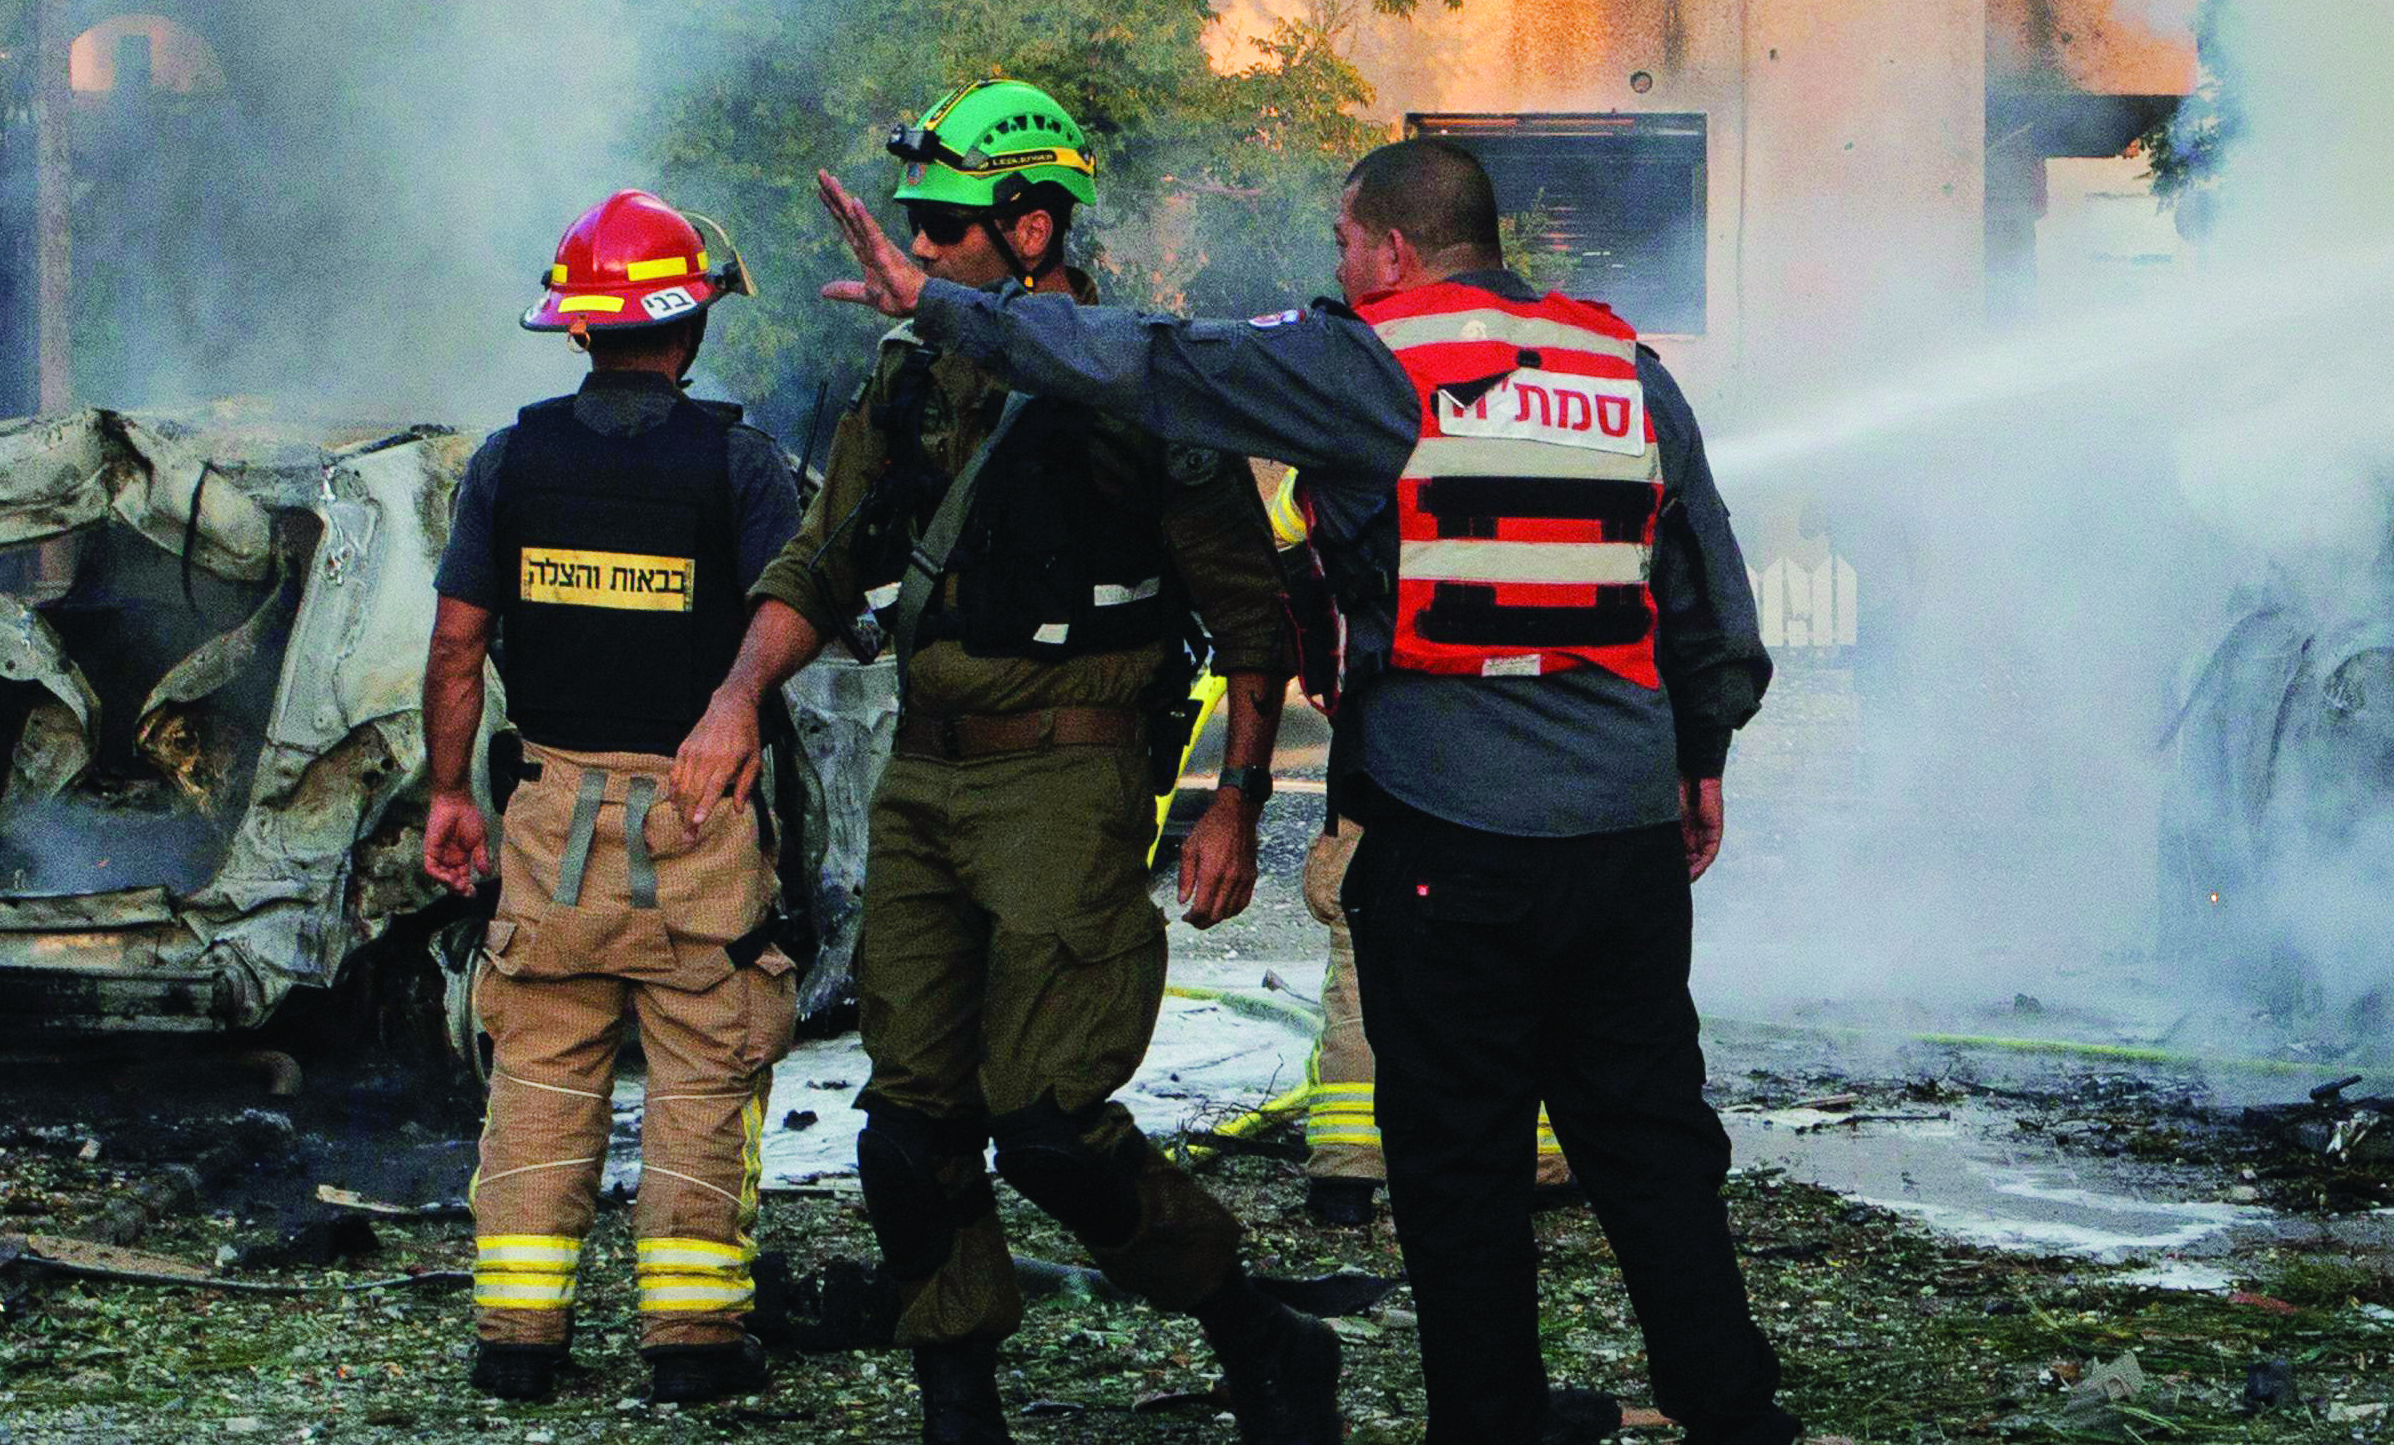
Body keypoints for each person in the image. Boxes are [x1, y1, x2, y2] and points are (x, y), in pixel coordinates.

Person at [806, 135, 1804, 1445]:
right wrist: (1702, 759)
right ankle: (1735, 1418)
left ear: (1388, 245)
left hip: (1448, 832)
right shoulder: (1626, 367)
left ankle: (1489, 1425)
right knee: (1654, 1146)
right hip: (1620, 836)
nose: (1338, 265)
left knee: (1459, 1162)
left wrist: (938, 302)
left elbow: (1151, 360)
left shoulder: (1367, 363)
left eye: (1343, 243)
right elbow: (1708, 599)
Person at [663, 82, 1330, 1445]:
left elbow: (1253, 619)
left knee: (1044, 1125)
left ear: (1033, 227)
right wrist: (735, 699)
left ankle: (1257, 1333)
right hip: (928, 776)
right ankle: (958, 1402)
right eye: (913, 220)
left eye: (945, 225)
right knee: (907, 1133)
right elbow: (823, 555)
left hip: (1071, 777)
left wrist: (1233, 805)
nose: (914, 247)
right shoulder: (905, 377)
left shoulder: (1149, 380)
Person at [420, 191, 803, 1406]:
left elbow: (454, 649)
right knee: (704, 1062)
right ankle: (692, 1346)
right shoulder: (742, 465)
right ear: (689, 331)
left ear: (579, 330)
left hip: (550, 812)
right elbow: (799, 625)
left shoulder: (510, 459)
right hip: (701, 812)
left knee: (539, 1066)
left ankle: (518, 1340)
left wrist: (448, 793)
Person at [1266, 473, 1572, 1235]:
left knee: (1364, 965)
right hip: (1508, 752)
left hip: (1376, 757)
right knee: (1515, 959)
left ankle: (1348, 1174)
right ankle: (1532, 1164)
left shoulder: (1327, 482)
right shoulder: (1508, 475)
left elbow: (1306, 618)